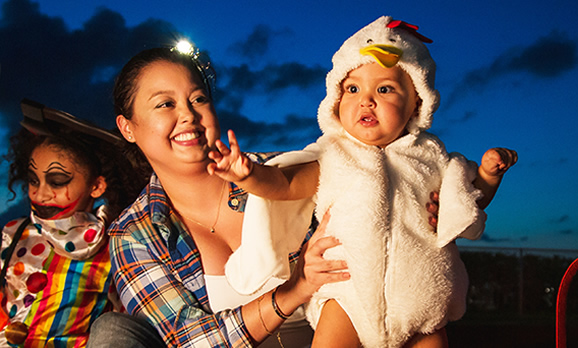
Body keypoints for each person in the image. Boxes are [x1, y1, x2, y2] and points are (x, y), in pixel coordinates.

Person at [208, 16, 518, 348]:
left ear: (416, 102)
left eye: (384, 89)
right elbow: (285, 185)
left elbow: (469, 201)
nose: (365, 100)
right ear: (336, 101)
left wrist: (488, 175)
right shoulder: (333, 155)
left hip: (420, 300)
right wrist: (250, 174)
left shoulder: (431, 155)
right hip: (347, 295)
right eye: (353, 89)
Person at [0, 100, 144, 347]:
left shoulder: (116, 245)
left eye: (57, 181)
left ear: (96, 186)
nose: (40, 194)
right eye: (34, 181)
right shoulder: (14, 232)